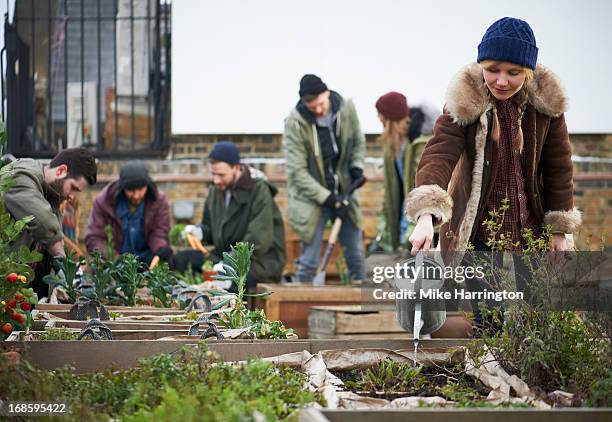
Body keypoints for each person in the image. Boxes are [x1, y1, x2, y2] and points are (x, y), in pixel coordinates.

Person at [406, 17, 580, 331]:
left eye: (513, 73)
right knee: (489, 318)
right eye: (493, 70)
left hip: (530, 230)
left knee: (536, 319)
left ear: (527, 71)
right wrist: (425, 216)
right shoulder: (466, 100)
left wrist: (558, 229)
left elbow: (559, 167)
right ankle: (487, 374)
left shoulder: (546, 107)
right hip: (479, 235)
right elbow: (439, 153)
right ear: (481, 65)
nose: (501, 81)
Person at [283, 74, 367, 282]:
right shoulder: (295, 123)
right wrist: (328, 198)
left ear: (327, 93)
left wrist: (356, 167)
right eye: (313, 107)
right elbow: (297, 171)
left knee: (355, 256)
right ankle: (300, 303)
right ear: (304, 103)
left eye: (321, 104)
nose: (319, 110)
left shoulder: (346, 109)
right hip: (312, 197)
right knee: (309, 261)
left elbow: (358, 141)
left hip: (344, 191)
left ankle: (363, 308)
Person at [181, 141, 286, 292]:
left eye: (221, 175)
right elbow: (210, 226)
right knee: (182, 260)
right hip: (225, 258)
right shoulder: (215, 191)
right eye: (213, 174)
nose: (216, 180)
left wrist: (230, 263)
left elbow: (258, 239)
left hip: (259, 263)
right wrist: (200, 231)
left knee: (226, 284)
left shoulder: (259, 190)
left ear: (236, 168)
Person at [1, 148, 97, 297]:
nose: (72, 197)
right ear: (61, 171)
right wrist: (65, 265)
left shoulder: (52, 199)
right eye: (73, 188)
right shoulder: (21, 174)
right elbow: (44, 223)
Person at [375, 92, 437, 251]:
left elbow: (427, 184)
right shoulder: (394, 144)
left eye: (380, 114)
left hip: (422, 219)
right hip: (405, 218)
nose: (378, 118)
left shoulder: (421, 142)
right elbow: (393, 188)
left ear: (390, 119)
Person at [85, 161, 170, 265]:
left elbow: (159, 232)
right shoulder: (104, 202)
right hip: (115, 266)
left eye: (140, 189)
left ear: (147, 185)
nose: (136, 195)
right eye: (131, 190)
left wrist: (160, 249)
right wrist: (114, 259)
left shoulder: (158, 200)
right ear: (122, 187)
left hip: (147, 261)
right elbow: (94, 237)